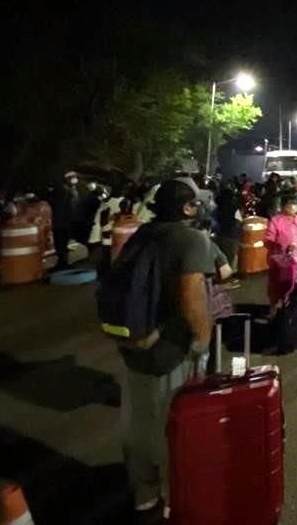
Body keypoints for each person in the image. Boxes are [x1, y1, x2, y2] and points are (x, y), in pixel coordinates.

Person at [117, 178, 214, 514]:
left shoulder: (141, 235)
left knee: (138, 421)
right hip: (171, 348)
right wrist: (202, 339)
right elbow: (191, 297)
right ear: (187, 208)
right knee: (173, 424)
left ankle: (144, 492)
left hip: (134, 341)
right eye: (195, 203)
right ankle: (177, 497)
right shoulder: (190, 239)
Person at [264, 194, 297, 315]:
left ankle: (287, 309)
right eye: (290, 204)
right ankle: (273, 308)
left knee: (292, 285)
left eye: (295, 204)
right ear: (283, 206)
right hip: (279, 261)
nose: (293, 207)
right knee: (276, 286)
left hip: (296, 259)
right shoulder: (276, 221)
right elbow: (268, 240)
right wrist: (280, 246)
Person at [49, 171, 80, 270]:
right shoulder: (63, 190)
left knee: (63, 243)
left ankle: (63, 263)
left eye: (75, 177)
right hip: (62, 222)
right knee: (61, 244)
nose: (75, 179)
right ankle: (62, 264)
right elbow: (60, 207)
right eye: (72, 177)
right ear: (67, 179)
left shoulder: (72, 191)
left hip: (67, 222)